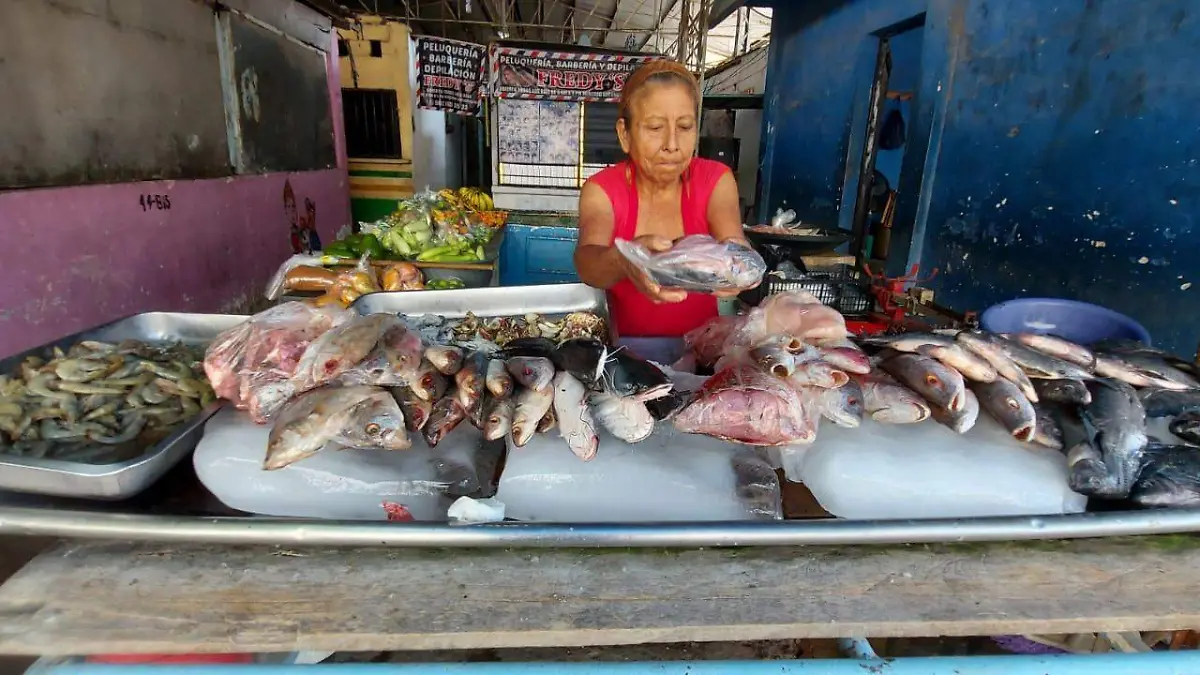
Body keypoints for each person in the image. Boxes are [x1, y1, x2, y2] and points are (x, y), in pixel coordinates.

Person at [574, 60, 753, 337]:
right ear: (625, 134)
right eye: (655, 128)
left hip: (701, 351)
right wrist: (623, 259)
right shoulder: (602, 189)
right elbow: (588, 264)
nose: (672, 144)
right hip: (625, 354)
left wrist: (739, 262)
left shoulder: (715, 179)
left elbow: (733, 242)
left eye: (684, 127)